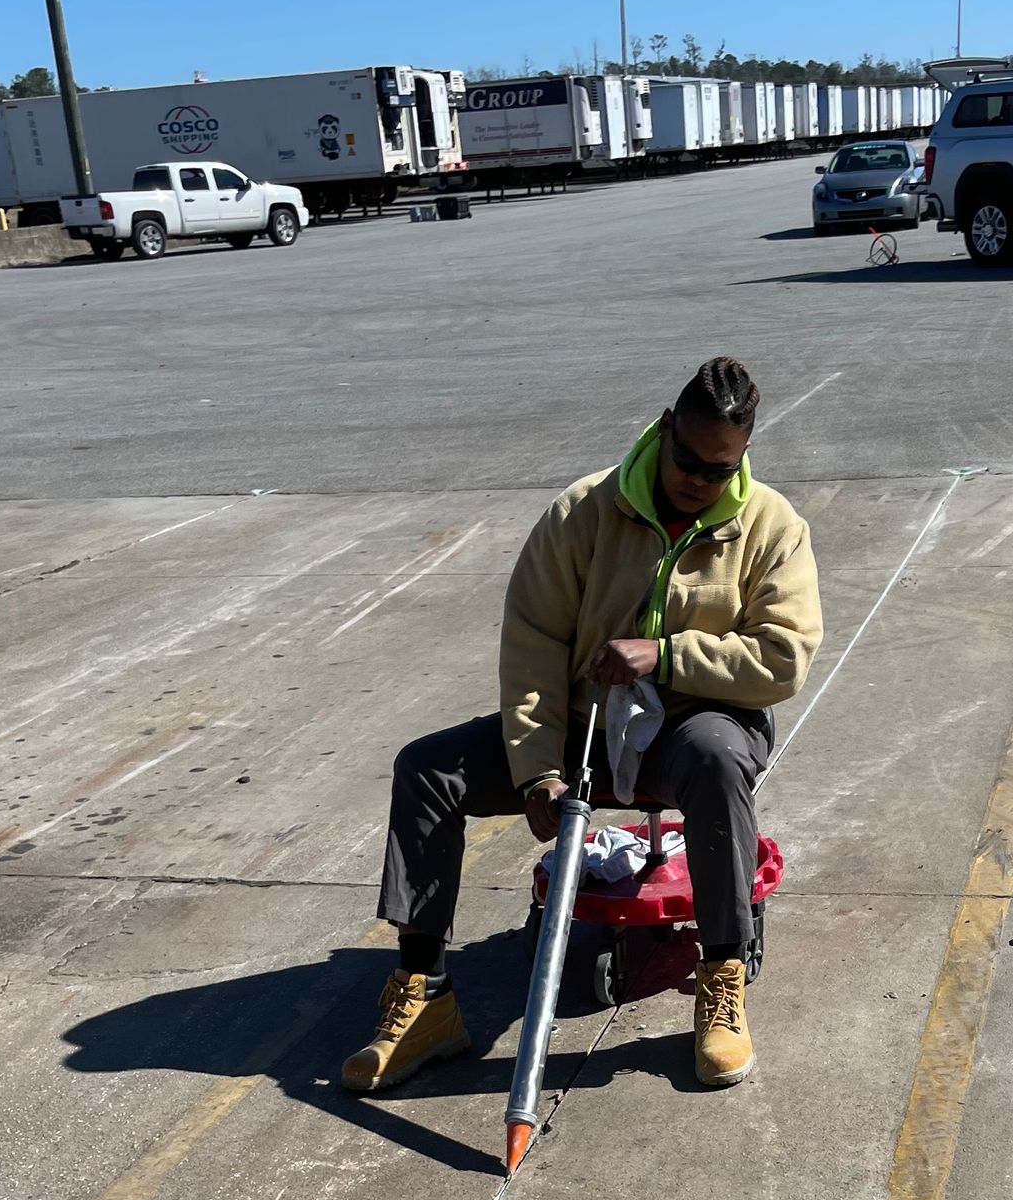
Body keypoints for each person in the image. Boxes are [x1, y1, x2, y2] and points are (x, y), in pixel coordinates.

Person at [343, 355, 823, 1097]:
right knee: (428, 770)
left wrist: (664, 656)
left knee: (719, 758)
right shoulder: (583, 512)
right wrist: (537, 767)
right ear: (663, 432)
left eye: (718, 469)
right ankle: (424, 995)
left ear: (744, 454)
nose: (698, 480)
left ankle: (721, 975)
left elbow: (782, 659)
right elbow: (531, 645)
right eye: (687, 460)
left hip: (690, 734)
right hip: (583, 730)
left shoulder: (772, 527)